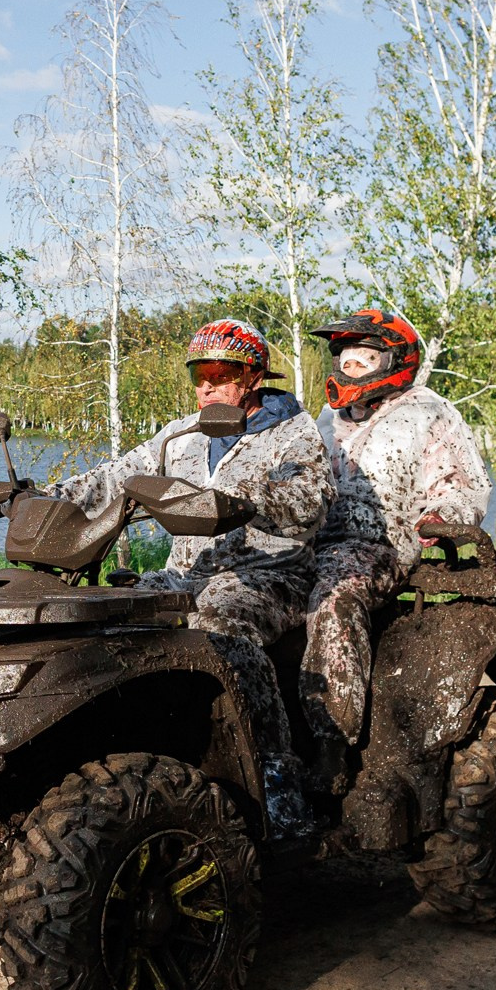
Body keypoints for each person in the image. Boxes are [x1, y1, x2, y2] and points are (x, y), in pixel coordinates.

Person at [46, 318, 332, 830]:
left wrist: (247, 498)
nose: (205, 385)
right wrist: (43, 499)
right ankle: (132, 757)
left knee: (223, 624)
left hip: (269, 576)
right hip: (187, 573)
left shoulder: (294, 432)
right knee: (116, 609)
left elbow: (311, 504)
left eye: (219, 373)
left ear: (252, 377)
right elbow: (120, 474)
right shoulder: (181, 434)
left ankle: (277, 784)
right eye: (198, 373)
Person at [296, 308, 490, 790]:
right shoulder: (328, 416)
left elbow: (467, 486)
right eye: (344, 356)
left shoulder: (430, 411)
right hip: (313, 542)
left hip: (380, 546)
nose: (350, 366)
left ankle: (331, 743)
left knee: (334, 598)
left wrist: (441, 519)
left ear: (393, 360)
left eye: (364, 356)